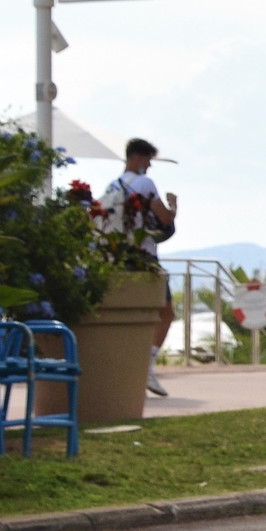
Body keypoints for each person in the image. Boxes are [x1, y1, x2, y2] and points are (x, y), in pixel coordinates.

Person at [102, 138, 179, 395]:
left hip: (118, 255)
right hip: (144, 256)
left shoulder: (113, 185)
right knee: (165, 312)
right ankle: (147, 365)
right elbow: (163, 218)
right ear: (137, 157)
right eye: (147, 160)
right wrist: (174, 207)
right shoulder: (144, 183)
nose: (149, 166)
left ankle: (128, 369)